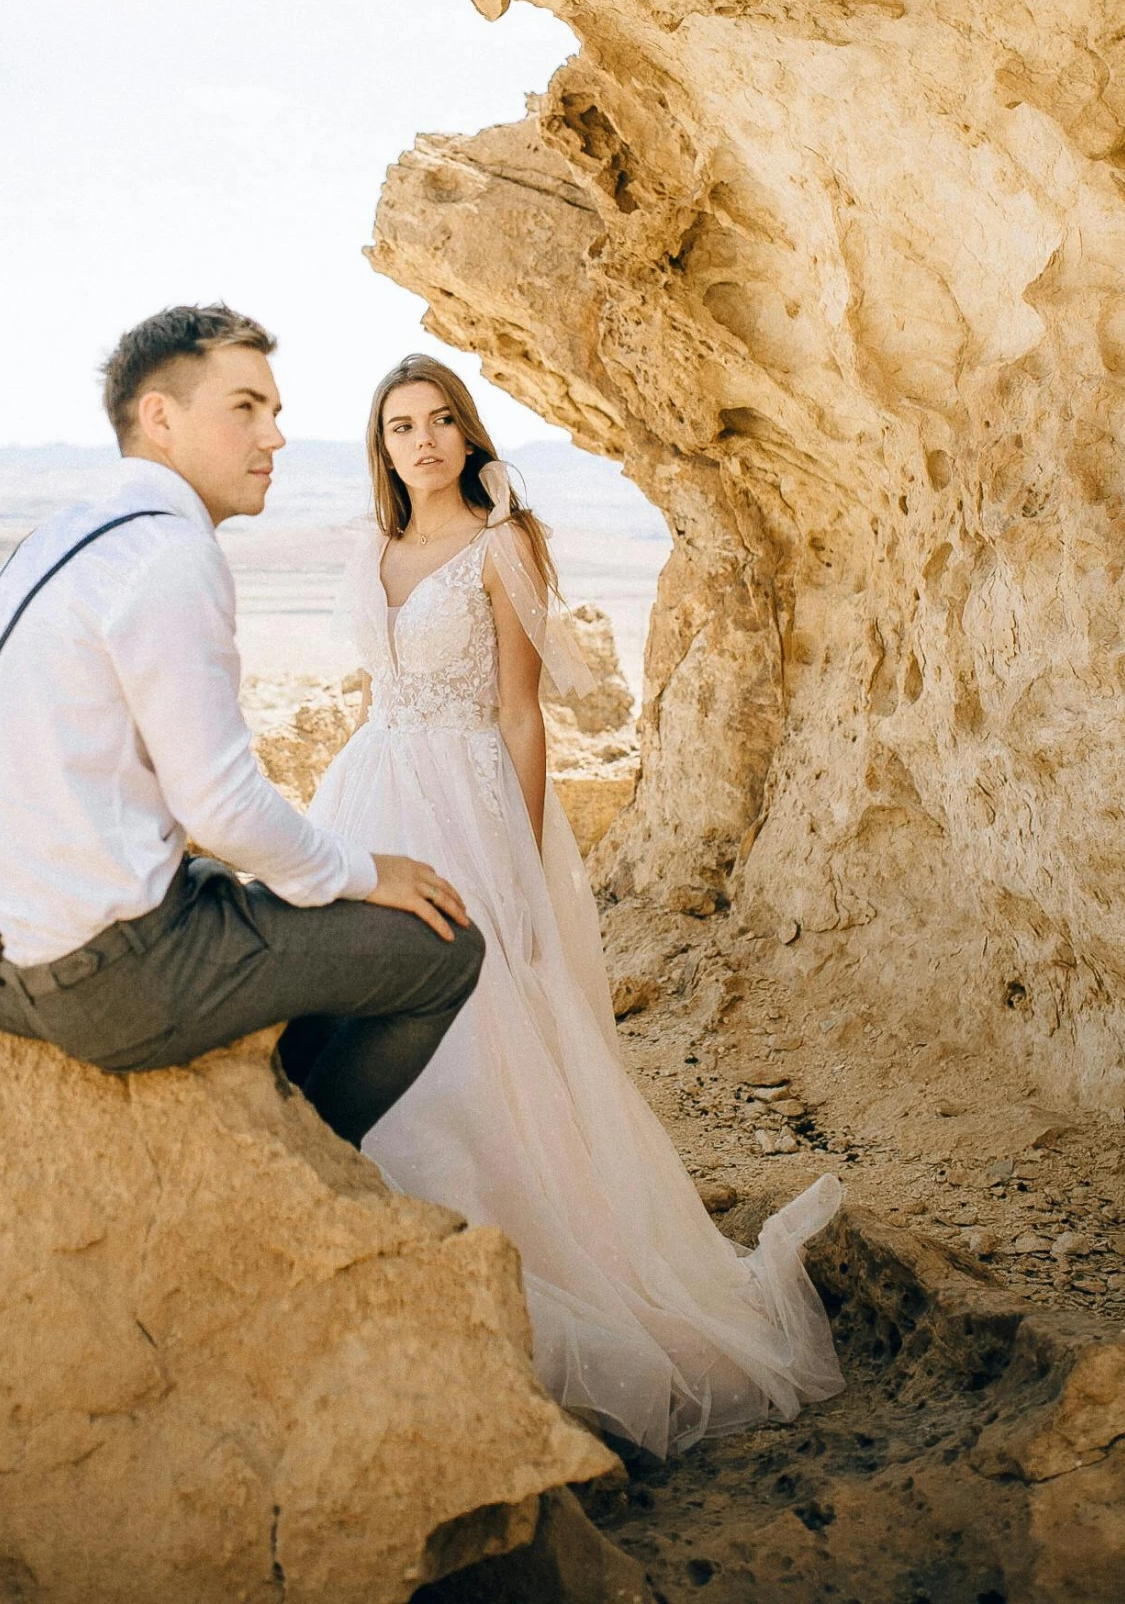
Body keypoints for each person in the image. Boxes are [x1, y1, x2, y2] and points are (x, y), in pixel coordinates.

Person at [308, 353, 845, 1455]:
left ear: (467, 433)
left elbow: (517, 714)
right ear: (382, 445)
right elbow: (381, 692)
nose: (423, 440)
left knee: (480, 1023)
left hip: (464, 797)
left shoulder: (501, 545)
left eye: (442, 418)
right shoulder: (372, 547)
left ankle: (514, 1255)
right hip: (372, 791)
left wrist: (512, 854)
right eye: (402, 424)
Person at [0, 305, 482, 1151]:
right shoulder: (170, 555)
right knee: (443, 951)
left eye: (275, 412)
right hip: (114, 984)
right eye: (245, 408)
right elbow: (221, 806)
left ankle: (269, 1116)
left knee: (246, 891)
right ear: (160, 418)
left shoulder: (54, 540)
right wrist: (367, 872)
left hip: (3, 974)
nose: (275, 437)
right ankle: (304, 1170)